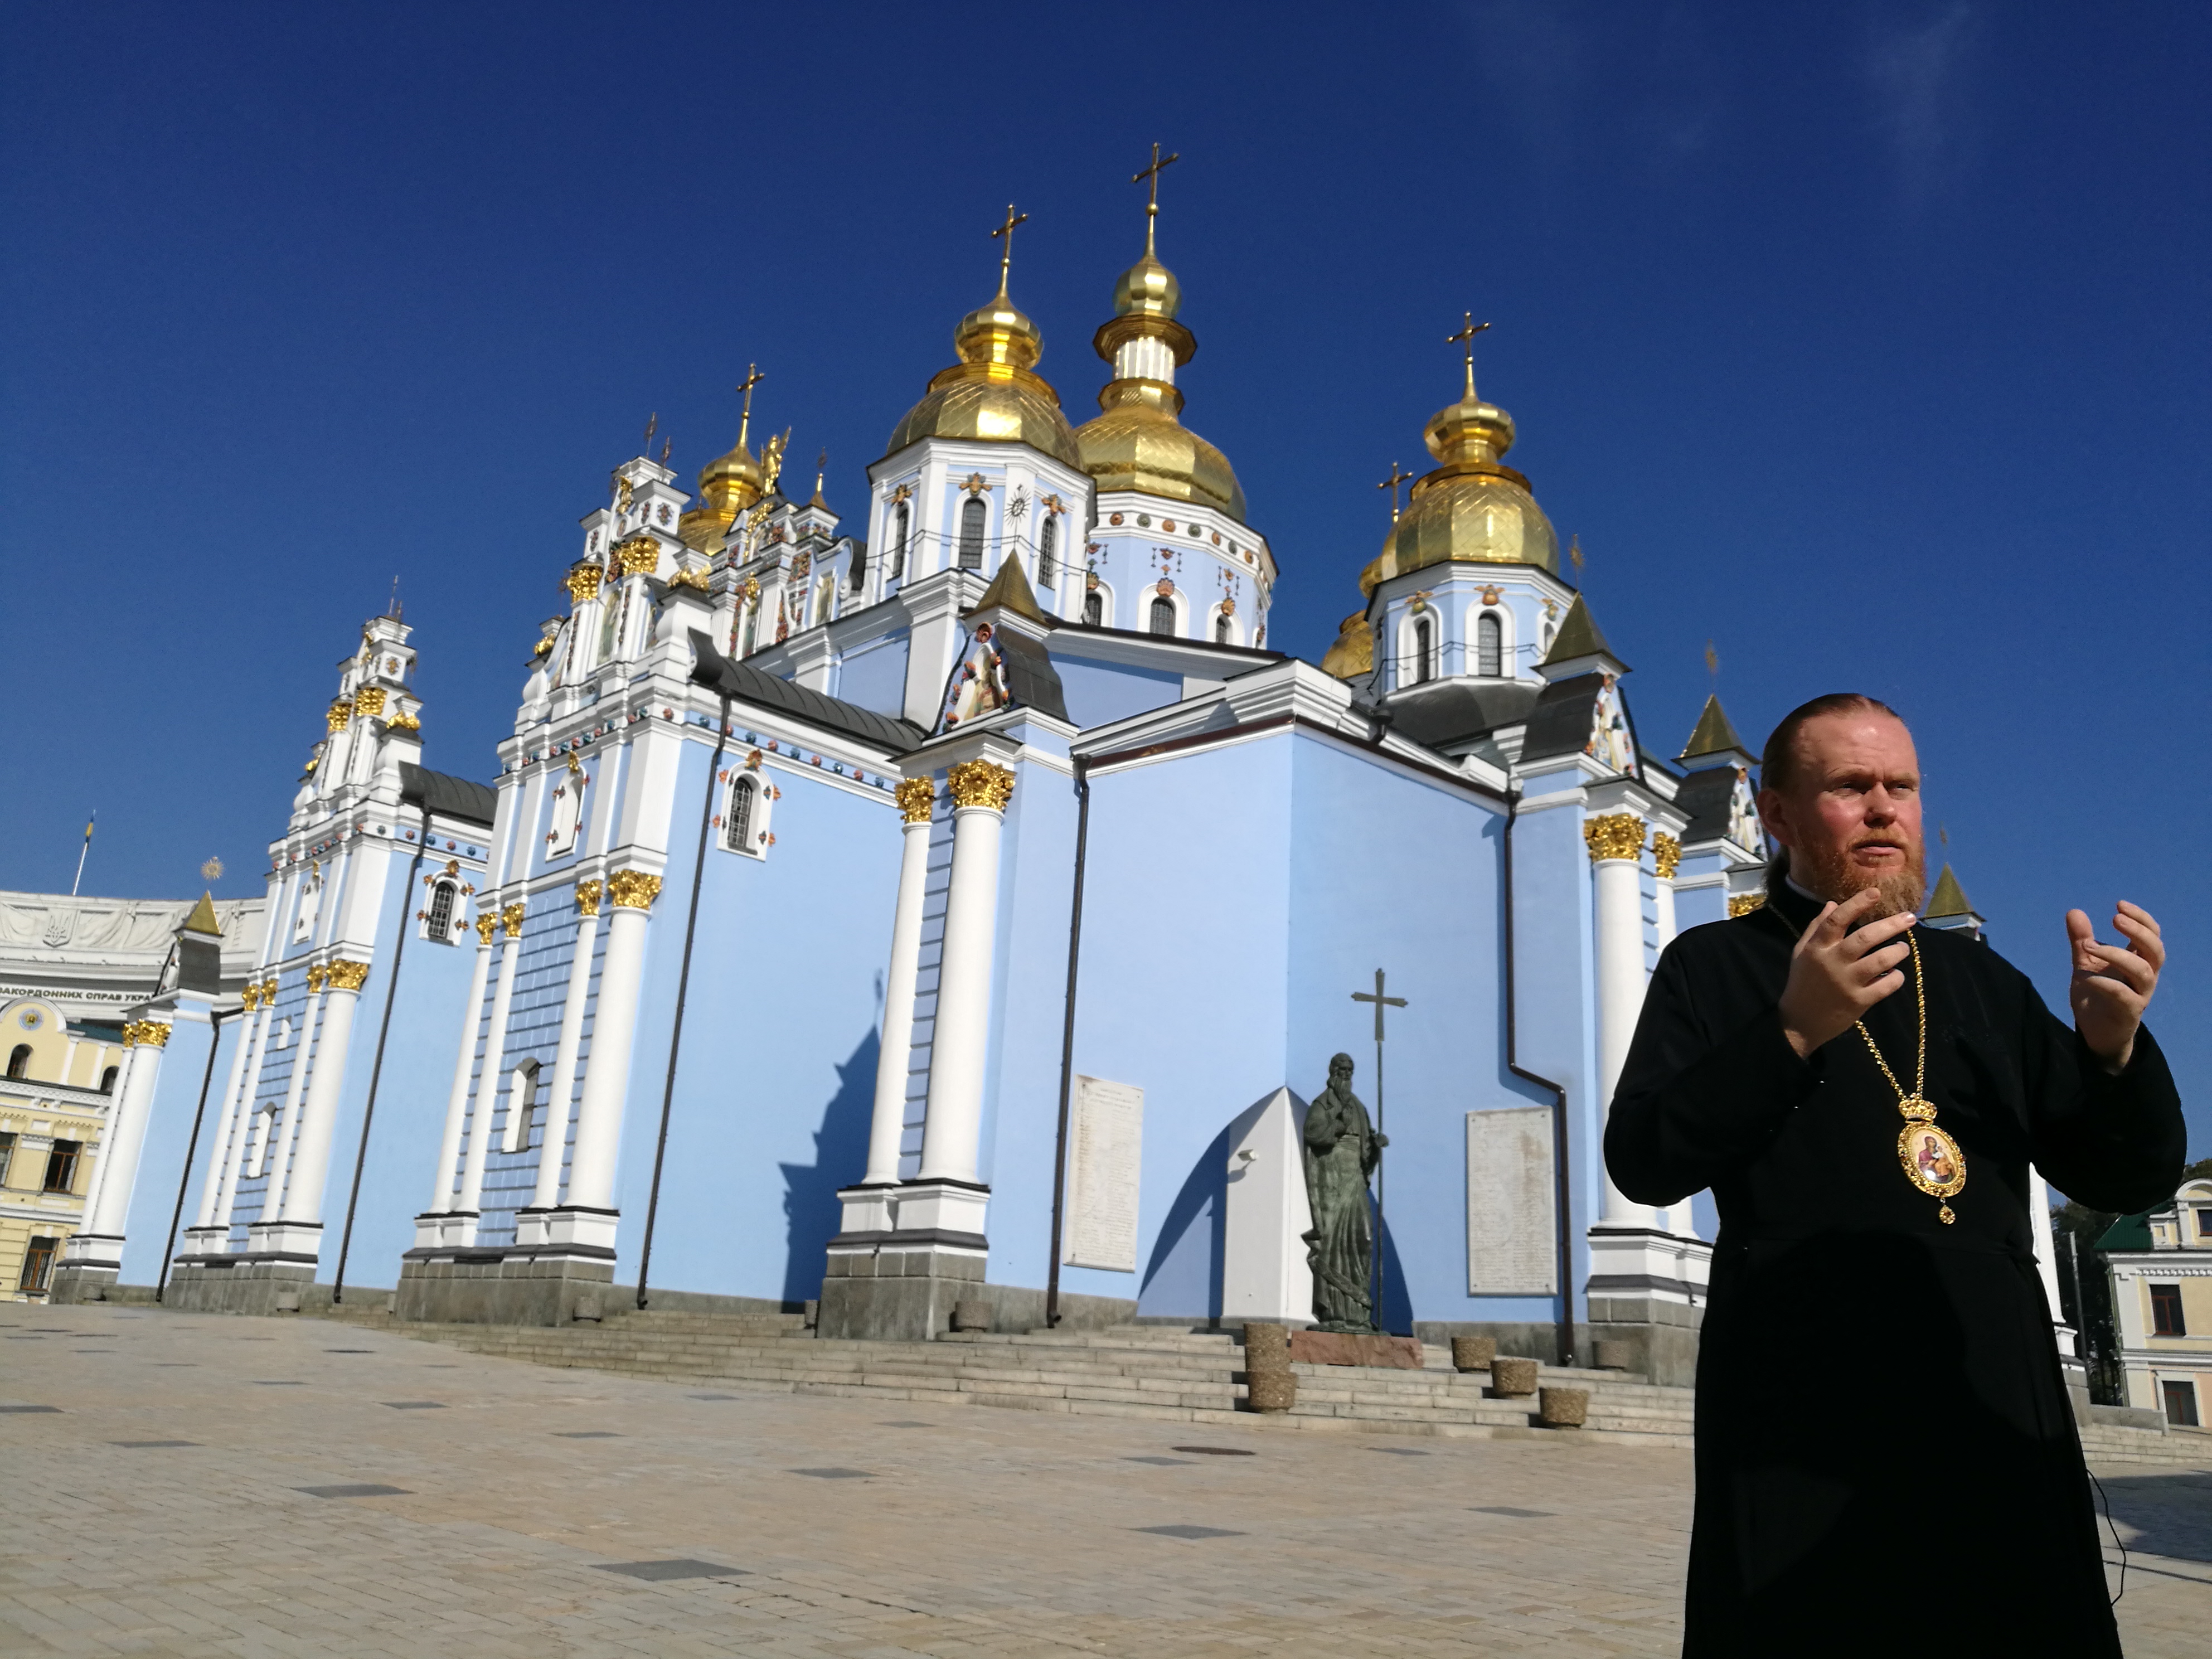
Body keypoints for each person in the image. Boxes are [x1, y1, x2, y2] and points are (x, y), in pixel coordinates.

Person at [1605, 693, 2181, 1657]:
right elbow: (1645, 1158)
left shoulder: (1984, 984)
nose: (1884, 809)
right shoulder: (1716, 966)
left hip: (1996, 1413)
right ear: (1776, 813)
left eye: (1901, 787)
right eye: (1851, 786)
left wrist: (2112, 1052)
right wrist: (1792, 1033)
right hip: (1807, 1419)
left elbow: (2125, 1176)